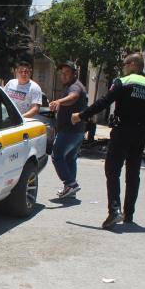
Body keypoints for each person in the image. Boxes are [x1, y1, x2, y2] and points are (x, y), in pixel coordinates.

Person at [72, 53, 145, 228]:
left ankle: (115, 211)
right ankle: (129, 213)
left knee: (113, 170)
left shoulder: (124, 82)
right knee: (133, 173)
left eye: (125, 63)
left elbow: (104, 102)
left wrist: (81, 116)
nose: (124, 67)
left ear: (134, 64)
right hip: (140, 134)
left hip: (122, 131)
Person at [49, 61, 87, 198]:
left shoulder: (75, 87)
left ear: (74, 74)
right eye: (62, 73)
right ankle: (70, 188)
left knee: (57, 155)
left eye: (67, 73)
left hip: (70, 131)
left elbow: (73, 97)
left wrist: (59, 102)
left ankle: (71, 183)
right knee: (70, 158)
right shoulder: (70, 86)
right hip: (77, 131)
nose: (63, 76)